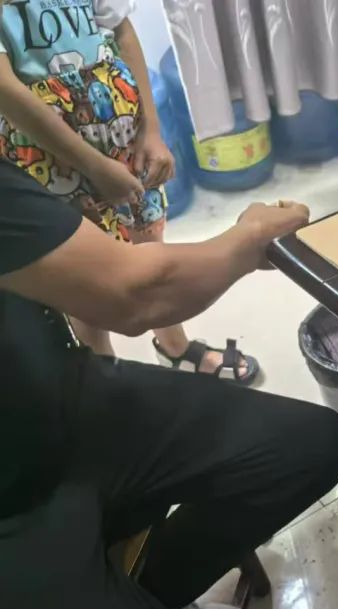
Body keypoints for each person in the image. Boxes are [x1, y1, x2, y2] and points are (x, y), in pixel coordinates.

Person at [0, 162, 338, 609]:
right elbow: (136, 294)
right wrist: (248, 238)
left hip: (57, 400)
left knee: (309, 445)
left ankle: (143, 601)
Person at [0, 0, 259, 383]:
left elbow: (121, 31)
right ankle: (104, 379)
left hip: (124, 138)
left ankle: (176, 349)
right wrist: (93, 166)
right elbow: (5, 89)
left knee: (150, 243)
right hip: (53, 158)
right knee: (88, 280)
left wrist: (151, 131)